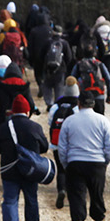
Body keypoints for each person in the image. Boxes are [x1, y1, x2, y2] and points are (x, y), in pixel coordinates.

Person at [56, 91, 110, 221]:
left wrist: (66, 163)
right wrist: (105, 161)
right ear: (93, 104)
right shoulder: (103, 120)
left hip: (75, 163)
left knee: (76, 195)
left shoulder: (69, 121)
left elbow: (62, 146)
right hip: (97, 163)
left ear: (79, 104)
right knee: (97, 194)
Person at [0, 96, 47, 221]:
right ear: (27, 110)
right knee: (31, 198)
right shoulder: (35, 127)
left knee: (10, 200)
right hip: (31, 171)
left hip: (10, 170)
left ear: (13, 111)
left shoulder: (4, 127)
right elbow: (44, 147)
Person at [47, 80, 81, 209]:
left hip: (57, 143)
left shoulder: (56, 106)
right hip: (73, 145)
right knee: (73, 170)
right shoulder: (78, 108)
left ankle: (61, 189)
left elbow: (50, 123)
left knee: (60, 169)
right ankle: (72, 194)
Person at [25, 6, 54, 109]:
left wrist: (30, 57)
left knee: (38, 73)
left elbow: (30, 45)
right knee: (45, 72)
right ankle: (45, 87)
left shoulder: (34, 31)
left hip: (37, 55)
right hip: (48, 55)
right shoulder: (50, 30)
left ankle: (40, 85)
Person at [70, 47, 110, 114]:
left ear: (83, 54)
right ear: (94, 54)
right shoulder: (100, 64)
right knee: (99, 118)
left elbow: (71, 79)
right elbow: (109, 80)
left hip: (84, 96)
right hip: (99, 95)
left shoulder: (79, 64)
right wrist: (109, 95)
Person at [38, 33, 73, 112]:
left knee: (47, 86)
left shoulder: (47, 42)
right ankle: (58, 103)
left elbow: (41, 55)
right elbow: (69, 57)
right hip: (60, 69)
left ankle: (49, 104)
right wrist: (64, 65)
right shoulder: (64, 43)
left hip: (47, 69)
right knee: (59, 87)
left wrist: (44, 64)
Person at [0, 54, 33, 119]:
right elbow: (31, 104)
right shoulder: (24, 85)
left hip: (3, 118)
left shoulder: (0, 85)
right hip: (21, 118)